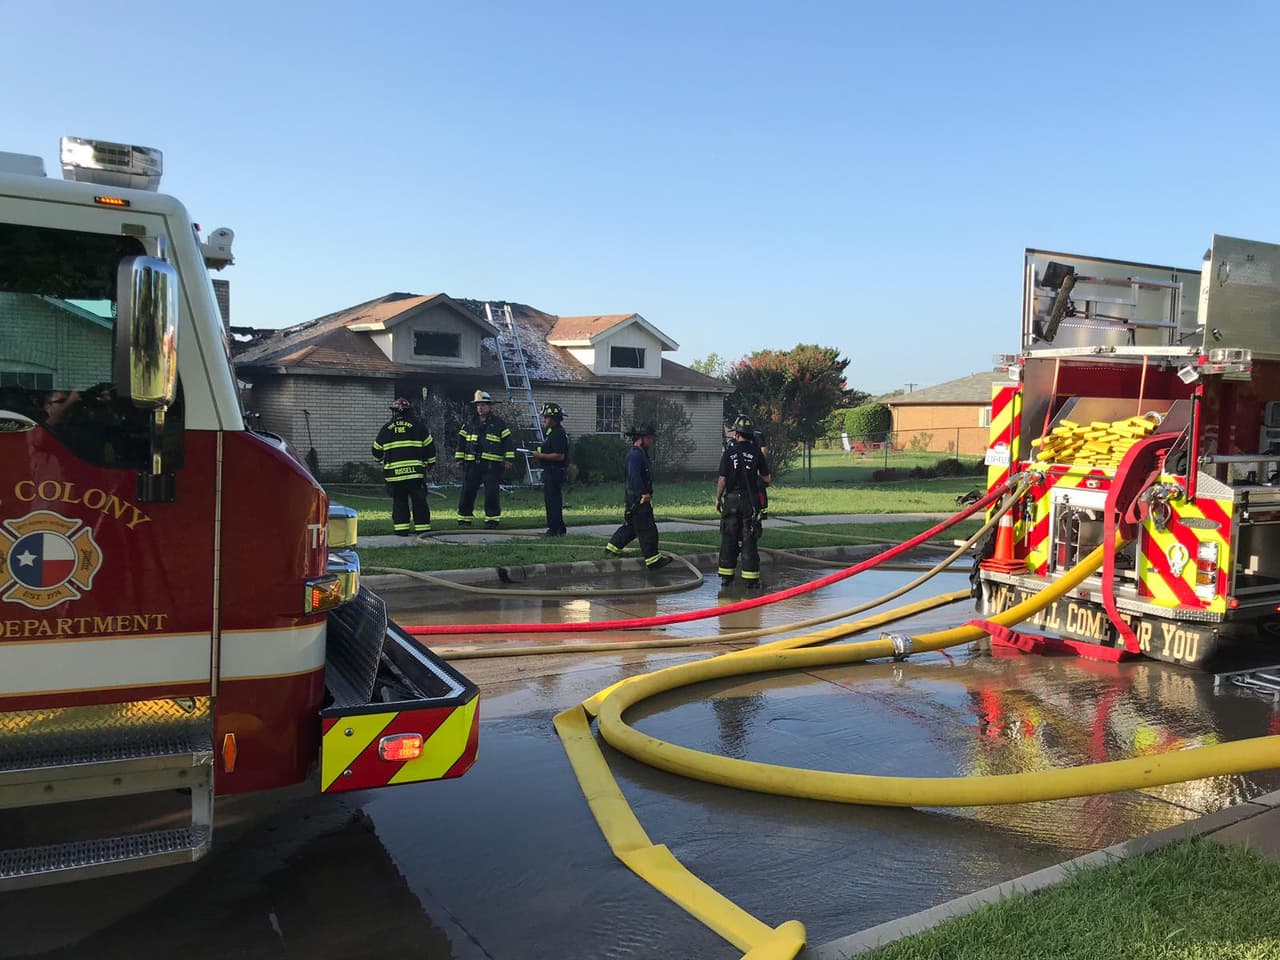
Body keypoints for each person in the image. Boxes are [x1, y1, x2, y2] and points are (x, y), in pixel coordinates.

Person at [715, 413, 772, 589]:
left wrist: (718, 498)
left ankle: (726, 578)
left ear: (737, 434)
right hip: (750, 502)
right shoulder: (756, 452)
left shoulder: (729, 452)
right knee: (749, 539)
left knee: (729, 538)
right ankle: (750, 581)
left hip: (731, 501)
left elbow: (722, 480)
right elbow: (767, 479)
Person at [606, 423, 670, 571]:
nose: (651, 441)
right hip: (638, 498)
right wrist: (644, 494)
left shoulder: (640, 453)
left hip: (635, 498)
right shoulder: (635, 455)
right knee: (648, 530)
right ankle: (653, 561)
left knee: (632, 527)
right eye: (648, 438)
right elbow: (635, 477)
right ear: (640, 439)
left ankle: (612, 549)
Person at [372, 397, 436, 535]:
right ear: (409, 412)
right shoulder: (418, 426)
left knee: (399, 501)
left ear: (394, 412)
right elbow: (430, 447)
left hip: (394, 475)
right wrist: (430, 463)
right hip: (415, 474)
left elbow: (376, 450)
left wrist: (379, 460)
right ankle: (422, 529)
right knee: (419, 501)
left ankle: (401, 530)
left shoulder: (385, 429)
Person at [455, 389, 515, 527]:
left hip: (491, 465)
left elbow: (508, 442)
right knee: (467, 491)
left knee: (491, 493)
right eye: (478, 405)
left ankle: (492, 520)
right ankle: (464, 518)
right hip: (472, 464)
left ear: (489, 406)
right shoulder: (469, 423)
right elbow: (461, 442)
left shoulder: (498, 423)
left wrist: (508, 459)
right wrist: (459, 459)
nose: (480, 408)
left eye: (483, 405)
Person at [530, 401, 569, 536]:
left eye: (546, 417)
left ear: (554, 419)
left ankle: (554, 529)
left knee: (553, 501)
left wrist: (540, 455)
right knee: (552, 500)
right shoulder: (552, 433)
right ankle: (558, 528)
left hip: (554, 471)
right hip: (550, 471)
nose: (544, 419)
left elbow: (559, 456)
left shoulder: (558, 433)